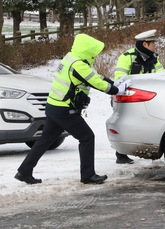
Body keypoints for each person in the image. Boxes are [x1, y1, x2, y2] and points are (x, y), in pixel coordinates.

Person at [15, 34, 132, 185]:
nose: (96, 55)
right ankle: (88, 175)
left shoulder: (71, 58)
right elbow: (98, 83)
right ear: (87, 50)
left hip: (53, 107)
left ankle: (24, 171)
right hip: (65, 110)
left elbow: (95, 77)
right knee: (87, 137)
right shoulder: (79, 66)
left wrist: (114, 82)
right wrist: (117, 89)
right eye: (94, 52)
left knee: (44, 141)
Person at [112, 29, 164, 164]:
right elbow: (119, 79)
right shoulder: (127, 57)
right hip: (128, 97)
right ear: (145, 44)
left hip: (147, 97)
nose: (155, 46)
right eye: (153, 43)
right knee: (125, 124)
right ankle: (121, 154)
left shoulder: (154, 58)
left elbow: (162, 76)